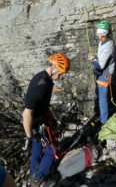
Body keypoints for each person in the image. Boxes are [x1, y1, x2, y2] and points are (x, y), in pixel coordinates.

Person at [22, 53, 70, 187]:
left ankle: (33, 175)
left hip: (39, 121)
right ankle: (39, 178)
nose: (60, 77)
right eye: (60, 73)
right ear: (54, 67)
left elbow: (39, 104)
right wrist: (28, 137)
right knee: (52, 150)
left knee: (37, 150)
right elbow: (26, 113)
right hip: (36, 123)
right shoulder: (41, 86)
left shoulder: (45, 78)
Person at [88, 20, 115, 124]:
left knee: (102, 99)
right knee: (99, 96)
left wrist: (93, 59)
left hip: (105, 75)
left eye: (102, 36)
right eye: (98, 36)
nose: (100, 38)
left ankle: (104, 122)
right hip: (99, 74)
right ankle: (102, 116)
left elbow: (101, 65)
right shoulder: (102, 42)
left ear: (107, 34)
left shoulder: (109, 45)